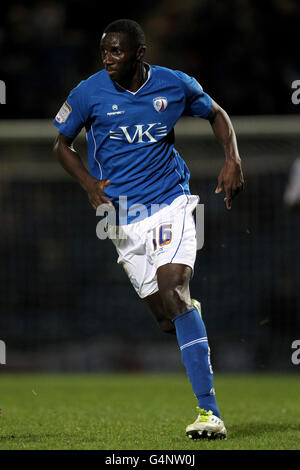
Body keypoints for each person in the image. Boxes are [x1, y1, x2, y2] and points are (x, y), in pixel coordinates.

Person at [53, 19, 244, 440]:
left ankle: (209, 412)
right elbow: (61, 144)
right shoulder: (88, 93)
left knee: (173, 286)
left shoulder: (174, 84)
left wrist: (233, 158)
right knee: (167, 316)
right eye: (104, 51)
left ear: (139, 53)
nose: (108, 59)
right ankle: (188, 316)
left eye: (116, 52)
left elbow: (216, 113)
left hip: (171, 203)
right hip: (123, 220)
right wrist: (88, 184)